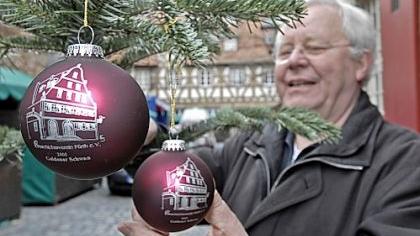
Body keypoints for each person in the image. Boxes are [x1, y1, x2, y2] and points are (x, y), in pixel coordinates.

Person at [118, 0, 420, 235]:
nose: (295, 61)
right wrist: (143, 135)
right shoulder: (250, 145)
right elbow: (175, 170)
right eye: (285, 51)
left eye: (314, 48)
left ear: (361, 63)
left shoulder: (406, 162)